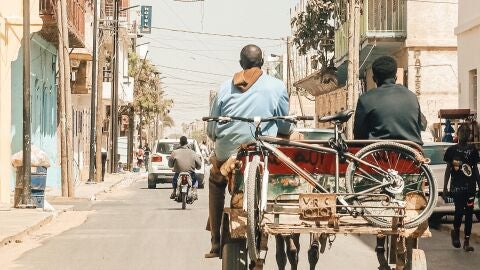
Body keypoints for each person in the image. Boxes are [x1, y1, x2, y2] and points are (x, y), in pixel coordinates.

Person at [205, 44, 293, 258]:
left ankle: (216, 241)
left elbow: (211, 130)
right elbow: (284, 126)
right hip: (264, 149)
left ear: (241, 64)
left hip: (229, 151)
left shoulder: (225, 87)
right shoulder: (277, 86)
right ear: (262, 63)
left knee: (216, 179)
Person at [353, 55, 423, 253]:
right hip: (410, 162)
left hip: (378, 164)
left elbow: (357, 135)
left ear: (374, 78)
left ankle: (380, 232)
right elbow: (421, 124)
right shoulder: (411, 96)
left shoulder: (366, 99)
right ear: (396, 75)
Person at [443, 124, 480, 252]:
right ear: (458, 134)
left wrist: (479, 186)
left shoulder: (473, 150)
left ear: (469, 134)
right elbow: (448, 170)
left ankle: (466, 241)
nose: (465, 134)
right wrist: (445, 188)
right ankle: (456, 232)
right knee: (459, 212)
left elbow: (475, 169)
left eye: (467, 132)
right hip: (456, 188)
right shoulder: (451, 150)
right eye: (462, 131)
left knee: (469, 214)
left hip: (470, 188)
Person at [168, 136, 202, 200]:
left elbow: (170, 164)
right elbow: (199, 165)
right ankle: (194, 192)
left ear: (180, 143)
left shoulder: (175, 152)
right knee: (195, 181)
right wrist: (197, 167)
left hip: (178, 173)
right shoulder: (193, 152)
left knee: (175, 180)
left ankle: (174, 191)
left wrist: (173, 166)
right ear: (187, 143)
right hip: (190, 173)